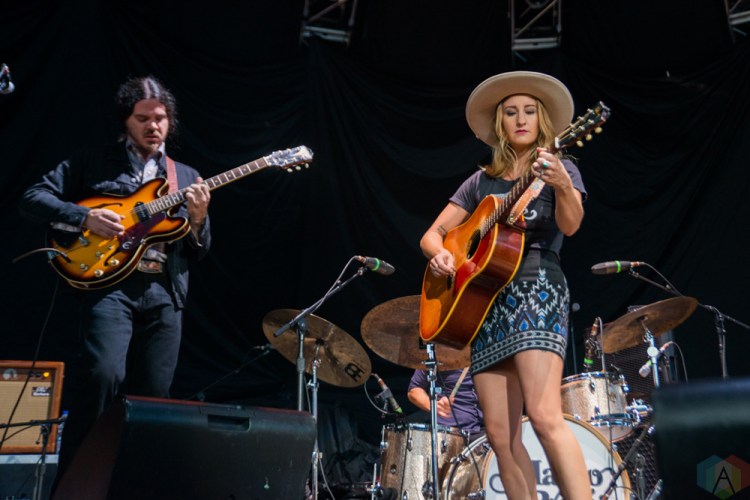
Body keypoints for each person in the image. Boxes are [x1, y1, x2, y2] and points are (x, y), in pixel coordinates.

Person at [18, 76, 211, 487]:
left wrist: (197, 220)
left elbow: (199, 249)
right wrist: (83, 216)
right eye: (142, 118)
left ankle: (136, 487)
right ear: (127, 120)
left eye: (160, 119)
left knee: (155, 398)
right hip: (111, 291)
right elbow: (34, 197)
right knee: (103, 377)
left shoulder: (186, 176)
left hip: (164, 293)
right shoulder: (94, 158)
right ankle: (75, 486)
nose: (153, 126)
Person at [420, 71, 590, 499]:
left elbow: (572, 224)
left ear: (542, 120)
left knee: (545, 414)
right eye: (511, 112)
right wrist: (440, 255)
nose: (520, 119)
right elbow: (431, 235)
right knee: (500, 435)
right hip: (484, 304)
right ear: (500, 123)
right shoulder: (479, 182)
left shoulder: (559, 166)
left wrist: (564, 185)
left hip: (537, 289)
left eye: (529, 111)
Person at [407, 368, 483, 439]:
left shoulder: (488, 355)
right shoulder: (441, 355)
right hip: (452, 432)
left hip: (486, 428)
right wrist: (434, 406)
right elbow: (414, 391)